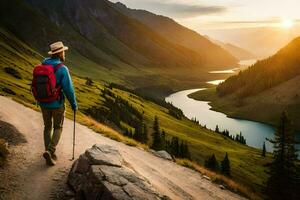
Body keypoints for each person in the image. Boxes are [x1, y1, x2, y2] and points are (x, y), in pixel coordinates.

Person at [39, 41, 77, 166]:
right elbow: (68, 89)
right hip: (57, 104)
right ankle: (50, 151)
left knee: (47, 127)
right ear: (60, 53)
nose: (64, 53)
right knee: (57, 127)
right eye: (63, 52)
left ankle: (47, 151)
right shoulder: (62, 69)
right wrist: (74, 104)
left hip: (43, 103)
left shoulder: (43, 65)